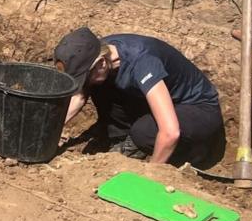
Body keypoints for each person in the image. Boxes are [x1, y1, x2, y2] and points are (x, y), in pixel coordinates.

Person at [54, 27, 225, 168]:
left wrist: (151, 173)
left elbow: (170, 132)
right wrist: (50, 130)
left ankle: (191, 152)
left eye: (84, 76)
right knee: (98, 84)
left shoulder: (143, 62)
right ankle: (120, 138)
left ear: (101, 63)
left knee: (144, 132)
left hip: (198, 109)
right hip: (160, 99)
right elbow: (79, 97)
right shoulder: (99, 53)